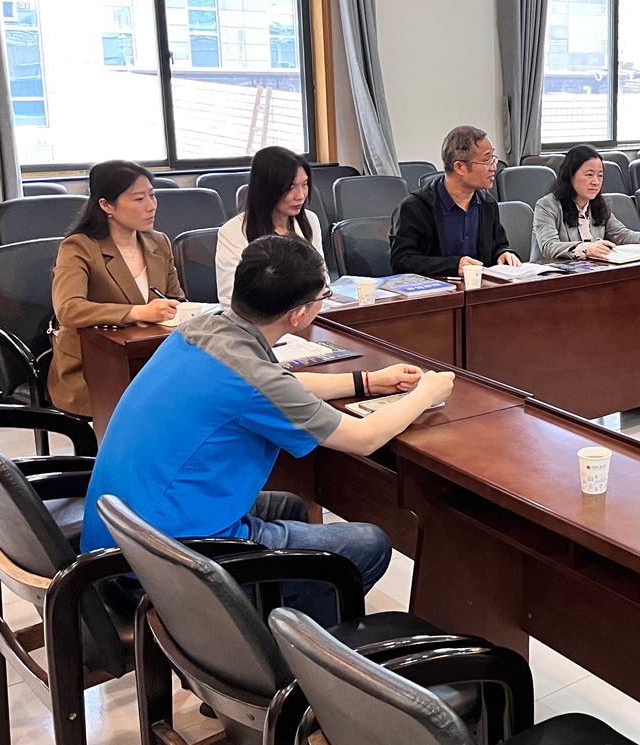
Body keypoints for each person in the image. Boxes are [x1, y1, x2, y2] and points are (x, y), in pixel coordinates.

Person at [80, 235, 456, 620]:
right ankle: (292, 650)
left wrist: (367, 382)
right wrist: (427, 393)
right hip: (165, 562)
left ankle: (277, 618)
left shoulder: (204, 327)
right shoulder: (251, 378)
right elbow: (364, 438)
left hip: (122, 534)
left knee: (291, 506)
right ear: (298, 314)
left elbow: (276, 386)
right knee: (367, 544)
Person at [49, 161, 184, 418]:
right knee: (151, 409)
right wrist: (137, 312)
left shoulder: (158, 242)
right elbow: (68, 309)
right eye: (139, 199)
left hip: (151, 358)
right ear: (106, 205)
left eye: (152, 195)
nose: (151, 205)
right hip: (95, 366)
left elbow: (176, 299)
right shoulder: (79, 247)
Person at [390, 125, 521, 275]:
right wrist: (453, 266)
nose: (494, 167)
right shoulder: (415, 208)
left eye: (493, 159)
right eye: (486, 160)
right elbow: (402, 261)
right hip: (438, 287)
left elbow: (498, 245)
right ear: (459, 167)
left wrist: (503, 253)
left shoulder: (487, 204)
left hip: (480, 285)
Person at [215, 146, 323, 307]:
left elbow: (321, 280)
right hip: (258, 319)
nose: (300, 195)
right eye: (291, 187)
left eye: (305, 184)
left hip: (306, 314)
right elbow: (230, 299)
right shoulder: (232, 232)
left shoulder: (310, 220)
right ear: (267, 189)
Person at [532, 145, 640, 262]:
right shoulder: (547, 205)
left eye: (600, 175)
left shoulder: (598, 204)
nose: (596, 182)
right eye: (589, 175)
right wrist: (586, 248)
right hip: (552, 273)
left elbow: (620, 234)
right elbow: (549, 246)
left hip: (590, 270)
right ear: (570, 176)